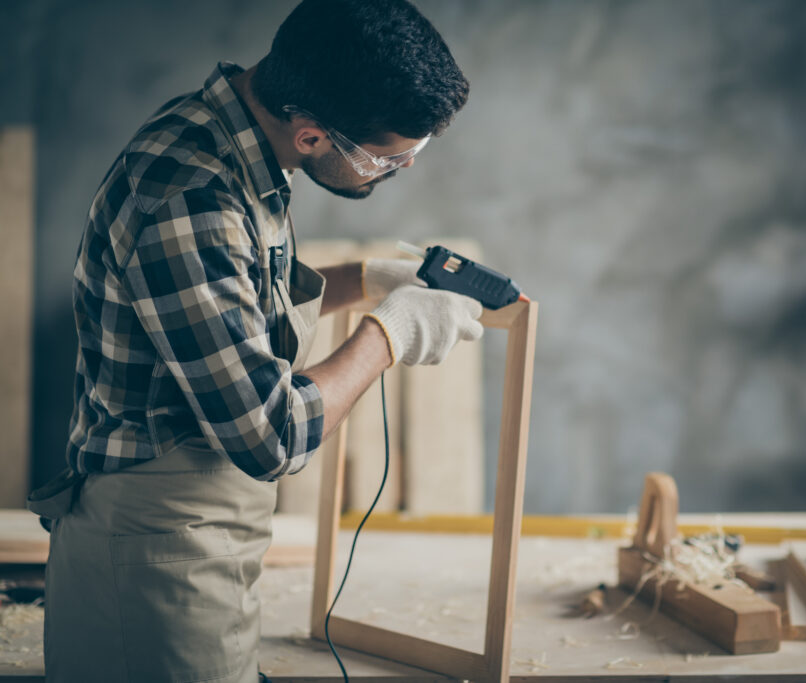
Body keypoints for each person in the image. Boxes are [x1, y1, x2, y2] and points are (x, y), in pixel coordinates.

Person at [27, 1, 482, 681]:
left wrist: (361, 279)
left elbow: (224, 302)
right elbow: (269, 433)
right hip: (153, 562)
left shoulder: (230, 137)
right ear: (311, 137)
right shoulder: (189, 195)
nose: (402, 171)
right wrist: (390, 334)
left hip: (195, 543)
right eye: (390, 159)